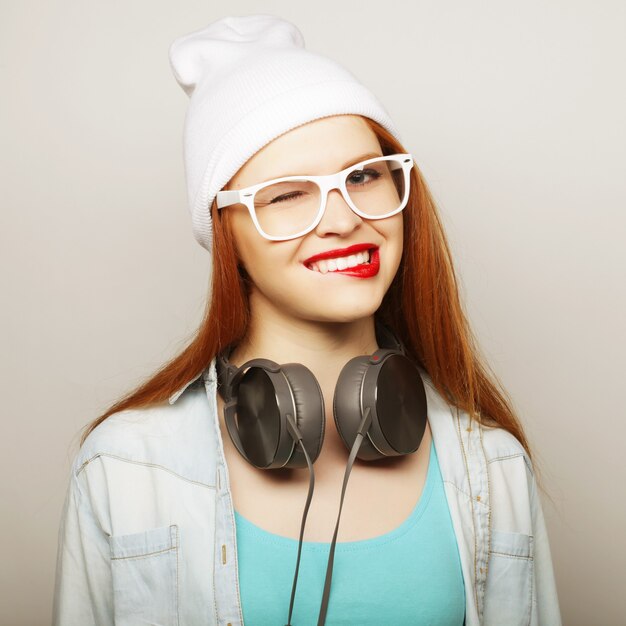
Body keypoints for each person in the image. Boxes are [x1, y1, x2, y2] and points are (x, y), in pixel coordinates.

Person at [52, 14, 562, 626]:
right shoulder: (125, 468)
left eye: (363, 176)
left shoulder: (495, 468)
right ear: (225, 234)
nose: (343, 219)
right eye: (288, 193)